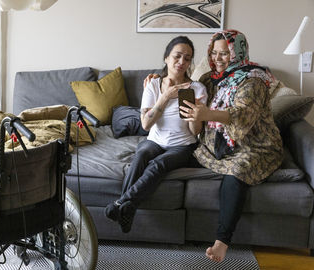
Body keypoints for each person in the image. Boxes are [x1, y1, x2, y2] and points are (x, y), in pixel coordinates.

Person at [180, 29, 283, 262]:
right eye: (214, 53)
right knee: (180, 151)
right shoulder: (208, 79)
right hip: (216, 147)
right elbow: (185, 87)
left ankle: (222, 241)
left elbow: (242, 116)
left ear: (237, 52)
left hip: (255, 146)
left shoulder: (253, 80)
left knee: (237, 171)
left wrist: (207, 113)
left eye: (224, 53)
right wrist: (160, 81)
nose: (217, 58)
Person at [104, 36, 208, 233]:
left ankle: (121, 205)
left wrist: (194, 112)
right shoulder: (153, 85)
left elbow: (196, 132)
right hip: (155, 140)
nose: (181, 62)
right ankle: (127, 210)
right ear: (166, 58)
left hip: (183, 145)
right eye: (177, 56)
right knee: (141, 155)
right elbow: (145, 124)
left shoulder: (197, 88)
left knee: (158, 164)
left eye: (187, 58)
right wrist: (165, 97)